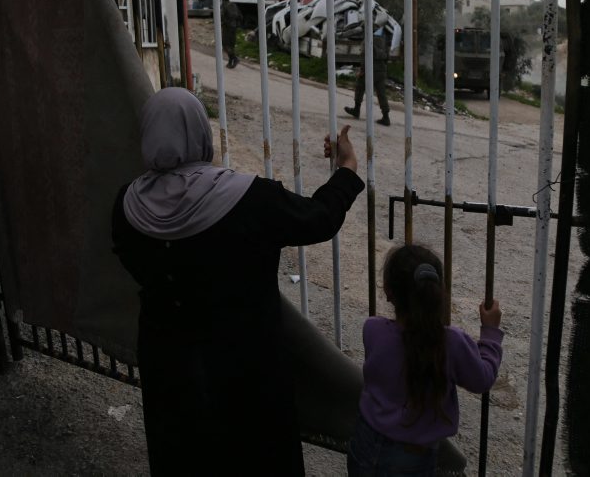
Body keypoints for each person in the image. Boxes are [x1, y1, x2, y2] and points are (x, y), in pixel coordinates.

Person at [111, 87, 364, 476]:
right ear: (200, 131)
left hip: (169, 363)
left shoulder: (127, 204)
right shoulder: (248, 197)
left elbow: (130, 259)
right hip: (248, 364)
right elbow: (319, 218)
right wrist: (346, 167)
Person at [347, 244, 504, 476]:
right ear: (438, 293)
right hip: (413, 456)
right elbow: (482, 379)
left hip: (365, 440)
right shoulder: (451, 343)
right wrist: (490, 334)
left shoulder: (372, 330)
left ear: (388, 291)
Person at [345, 30, 391, 126]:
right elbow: (387, 57)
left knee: (359, 86)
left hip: (370, 70)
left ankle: (356, 109)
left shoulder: (367, 41)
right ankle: (386, 116)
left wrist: (362, 70)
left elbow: (364, 56)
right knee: (381, 93)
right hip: (381, 71)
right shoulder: (383, 41)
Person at [221, 0, 242, 68]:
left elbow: (222, 17)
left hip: (227, 27)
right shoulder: (234, 5)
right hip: (234, 27)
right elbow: (240, 16)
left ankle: (235, 58)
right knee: (231, 45)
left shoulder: (224, 6)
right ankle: (230, 62)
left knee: (225, 45)